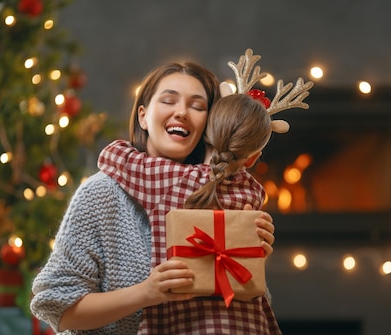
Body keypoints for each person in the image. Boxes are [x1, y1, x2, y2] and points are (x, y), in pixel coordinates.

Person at [30, 60, 277, 334]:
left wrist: (246, 255)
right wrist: (147, 292)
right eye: (169, 100)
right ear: (143, 117)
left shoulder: (226, 193)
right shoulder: (102, 193)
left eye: (197, 106)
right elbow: (58, 308)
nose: (182, 112)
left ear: (210, 126)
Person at [97, 93, 278, 333]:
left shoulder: (168, 178)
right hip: (245, 324)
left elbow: (110, 156)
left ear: (205, 136)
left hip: (180, 322)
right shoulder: (254, 192)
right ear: (253, 158)